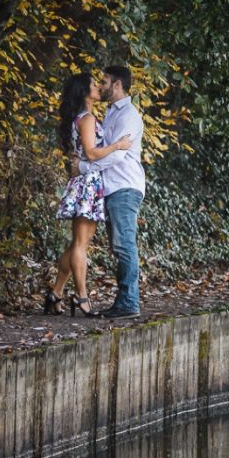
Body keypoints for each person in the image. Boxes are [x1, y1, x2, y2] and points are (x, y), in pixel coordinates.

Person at [45, 72, 133, 316]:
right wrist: (118, 145)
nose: (98, 88)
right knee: (81, 244)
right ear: (84, 92)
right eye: (94, 85)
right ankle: (82, 298)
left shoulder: (85, 118)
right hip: (87, 183)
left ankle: (57, 292)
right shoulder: (87, 119)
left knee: (78, 243)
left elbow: (85, 153)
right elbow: (92, 154)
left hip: (87, 182)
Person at [89, 64, 146, 318]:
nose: (101, 85)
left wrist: (84, 166)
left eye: (105, 81)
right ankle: (124, 302)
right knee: (119, 247)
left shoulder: (129, 116)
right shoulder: (112, 112)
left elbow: (118, 155)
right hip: (112, 187)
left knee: (124, 246)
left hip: (125, 185)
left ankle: (129, 303)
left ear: (118, 84)